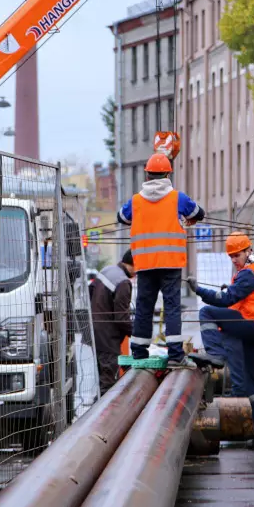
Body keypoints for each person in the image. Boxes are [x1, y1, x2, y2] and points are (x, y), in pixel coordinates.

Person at [188, 232, 254, 450]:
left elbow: (228, 299)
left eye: (236, 255)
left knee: (207, 313)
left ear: (249, 251)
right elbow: (237, 299)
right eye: (230, 256)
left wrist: (199, 290)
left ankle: (215, 354)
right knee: (252, 382)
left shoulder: (252, 271)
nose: (233, 260)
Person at [117, 152, 205, 367]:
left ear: (147, 175)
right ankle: (175, 354)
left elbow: (121, 217)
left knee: (144, 306)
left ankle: (138, 352)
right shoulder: (178, 198)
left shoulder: (136, 200)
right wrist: (188, 218)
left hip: (145, 264)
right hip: (171, 263)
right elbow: (199, 213)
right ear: (168, 174)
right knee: (172, 306)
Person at [89, 250, 136, 395]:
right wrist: (138, 333)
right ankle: (105, 416)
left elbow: (89, 294)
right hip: (109, 339)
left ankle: (96, 413)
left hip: (94, 333)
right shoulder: (123, 282)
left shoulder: (106, 270)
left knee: (101, 379)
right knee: (108, 384)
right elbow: (121, 318)